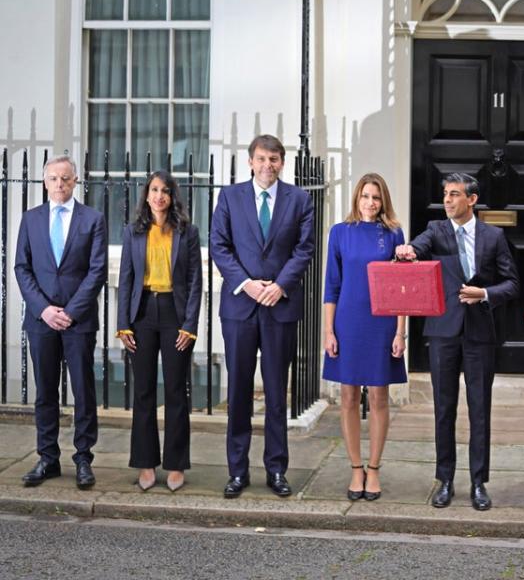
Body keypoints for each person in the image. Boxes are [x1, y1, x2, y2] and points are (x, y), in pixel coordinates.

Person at [395, 172, 519, 511]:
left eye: (454, 195)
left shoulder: (493, 236)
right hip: (443, 332)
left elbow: (512, 284)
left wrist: (485, 293)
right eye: (445, 195)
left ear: (472, 199)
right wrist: (408, 250)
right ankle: (445, 479)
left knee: (479, 410)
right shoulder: (436, 230)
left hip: (480, 334)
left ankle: (479, 482)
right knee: (443, 409)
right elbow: (418, 248)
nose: (447, 200)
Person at [211, 134, 315, 499]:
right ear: (250, 161)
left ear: (282, 162)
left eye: (274, 159)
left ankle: (276, 469)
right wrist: (247, 284)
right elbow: (219, 246)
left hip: (280, 307)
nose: (267, 165)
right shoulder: (229, 197)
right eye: (261, 158)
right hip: (240, 306)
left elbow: (304, 249)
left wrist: (280, 286)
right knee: (238, 390)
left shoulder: (299, 199)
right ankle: (237, 471)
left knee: (275, 393)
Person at [15, 154, 107, 489]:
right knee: (45, 391)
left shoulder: (92, 219)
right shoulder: (31, 219)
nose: (60, 184)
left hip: (78, 320)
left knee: (83, 390)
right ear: (44, 181)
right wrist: (44, 310)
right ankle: (47, 458)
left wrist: (70, 310)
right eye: (53, 178)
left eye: (66, 178)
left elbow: (96, 271)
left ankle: (83, 458)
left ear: (76, 181)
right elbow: (21, 268)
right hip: (42, 322)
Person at [116, 171, 202, 492]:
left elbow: (195, 283)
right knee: (144, 391)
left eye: (165, 191)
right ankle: (146, 462)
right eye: (154, 190)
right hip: (141, 316)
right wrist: (123, 323)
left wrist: (190, 326)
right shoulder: (133, 232)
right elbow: (125, 280)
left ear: (172, 196)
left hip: (174, 314)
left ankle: (176, 463)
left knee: (177, 391)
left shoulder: (187, 232)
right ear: (147, 195)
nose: (159, 196)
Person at [323, 173, 407, 502]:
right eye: (365, 196)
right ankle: (355, 467)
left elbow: (401, 286)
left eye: (376, 197)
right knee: (347, 397)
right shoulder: (340, 233)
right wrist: (329, 331)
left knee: (378, 398)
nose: (370, 203)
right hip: (347, 321)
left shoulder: (393, 233)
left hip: (382, 323)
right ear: (356, 198)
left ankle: (374, 468)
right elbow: (332, 284)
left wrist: (400, 332)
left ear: (383, 201)